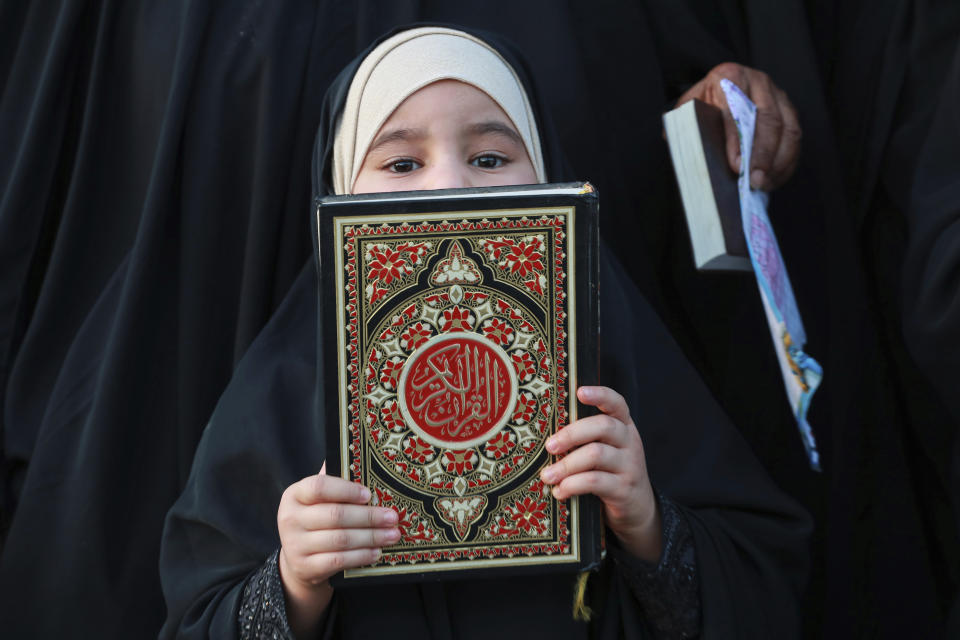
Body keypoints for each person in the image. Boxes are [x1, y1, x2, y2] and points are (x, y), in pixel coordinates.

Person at [159, 25, 810, 640]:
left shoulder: (617, 352)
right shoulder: (281, 390)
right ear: (338, 192)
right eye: (402, 163)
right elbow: (201, 615)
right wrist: (295, 582)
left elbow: (762, 585)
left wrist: (646, 525)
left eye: (491, 156)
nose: (449, 183)